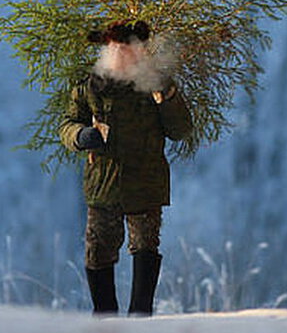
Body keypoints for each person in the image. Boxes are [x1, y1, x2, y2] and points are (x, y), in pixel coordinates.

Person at [59, 21, 193, 316]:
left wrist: (167, 97)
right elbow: (67, 124)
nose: (123, 55)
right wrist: (80, 136)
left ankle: (140, 313)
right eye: (117, 49)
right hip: (104, 182)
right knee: (99, 249)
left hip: (146, 181)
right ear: (107, 51)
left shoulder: (156, 85)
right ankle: (104, 315)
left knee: (145, 245)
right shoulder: (89, 88)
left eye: (129, 49)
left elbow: (181, 129)